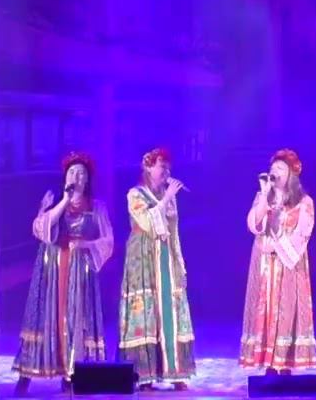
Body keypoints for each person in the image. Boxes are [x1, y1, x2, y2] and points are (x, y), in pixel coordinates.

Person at [13, 151, 114, 396]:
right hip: (52, 269)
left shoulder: (97, 208)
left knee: (76, 318)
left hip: (80, 269)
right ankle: (28, 371)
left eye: (81, 173)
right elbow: (41, 230)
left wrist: (86, 244)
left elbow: (108, 241)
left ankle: (72, 373)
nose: (76, 177)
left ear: (87, 179)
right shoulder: (53, 203)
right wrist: (64, 201)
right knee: (46, 316)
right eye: (72, 172)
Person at [119, 147, 195, 390]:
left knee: (170, 310)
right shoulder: (135, 194)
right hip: (143, 258)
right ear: (148, 167)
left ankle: (175, 372)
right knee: (146, 312)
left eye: (168, 167)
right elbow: (146, 222)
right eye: (162, 166)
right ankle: (145, 374)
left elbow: (173, 232)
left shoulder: (168, 197)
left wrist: (180, 263)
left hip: (165, 257)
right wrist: (166, 198)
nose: (166, 171)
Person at [239, 149, 316, 374]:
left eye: (281, 168)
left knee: (286, 306)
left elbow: (303, 233)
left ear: (291, 174)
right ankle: (267, 361)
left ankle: (284, 361)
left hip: (288, 263)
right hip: (264, 263)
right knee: (264, 305)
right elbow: (253, 224)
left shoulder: (304, 202)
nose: (275, 172)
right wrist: (264, 195)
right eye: (273, 168)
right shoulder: (263, 197)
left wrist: (278, 247)